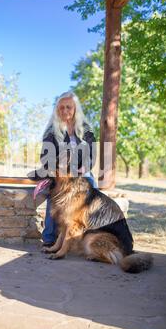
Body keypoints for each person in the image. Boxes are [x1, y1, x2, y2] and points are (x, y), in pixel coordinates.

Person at [38, 91, 97, 247]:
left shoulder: (86, 129)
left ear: (75, 108)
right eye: (61, 107)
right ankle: (49, 237)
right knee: (56, 193)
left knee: (93, 191)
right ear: (57, 109)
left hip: (82, 174)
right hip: (59, 174)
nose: (64, 111)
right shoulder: (51, 131)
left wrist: (85, 166)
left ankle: (88, 236)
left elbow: (92, 155)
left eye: (68, 107)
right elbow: (45, 157)